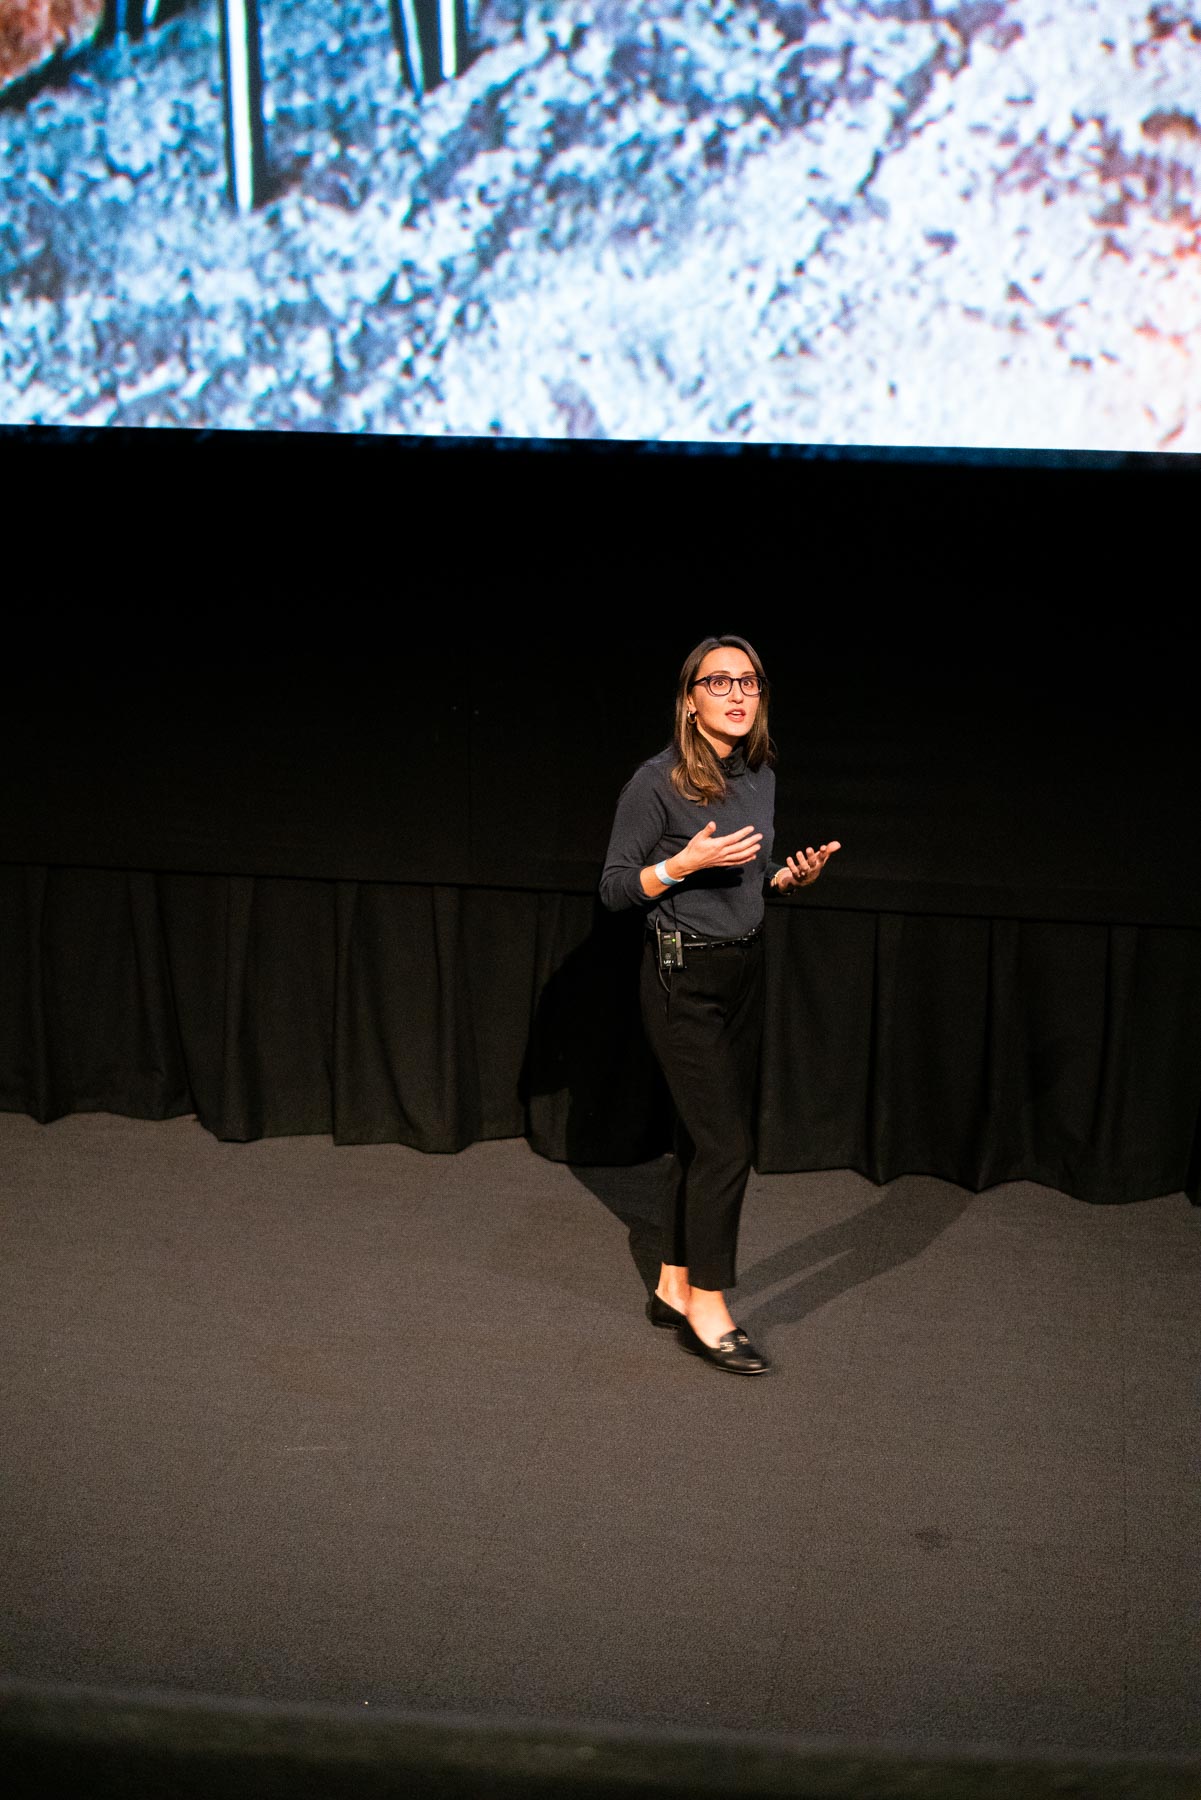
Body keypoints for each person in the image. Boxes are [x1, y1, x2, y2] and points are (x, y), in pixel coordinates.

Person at [599, 635, 840, 1376]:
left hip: (741, 971)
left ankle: (673, 1282)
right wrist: (680, 864)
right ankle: (707, 1303)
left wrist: (781, 879)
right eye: (719, 682)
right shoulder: (657, 781)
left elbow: (748, 872)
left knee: (701, 1140)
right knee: (728, 1147)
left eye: (749, 682)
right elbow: (614, 889)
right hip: (680, 980)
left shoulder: (758, 769)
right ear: (690, 698)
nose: (737, 695)